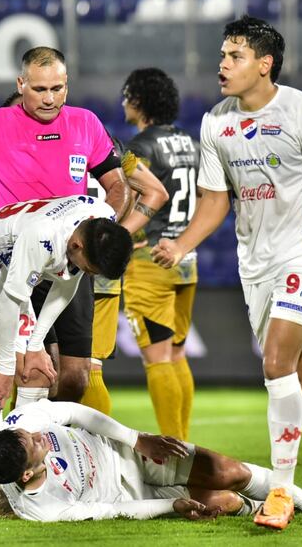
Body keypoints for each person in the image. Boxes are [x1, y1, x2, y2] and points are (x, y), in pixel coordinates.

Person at [151, 16, 302, 530]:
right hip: (254, 263)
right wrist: (180, 245)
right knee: (299, 376)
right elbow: (215, 202)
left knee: (275, 364)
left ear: (264, 63)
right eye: (222, 55)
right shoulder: (217, 122)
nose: (223, 65)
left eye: (234, 56)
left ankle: (280, 492)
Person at [0, 46, 132, 405]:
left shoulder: (85, 122)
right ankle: (25, 453)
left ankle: (57, 450)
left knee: (77, 376)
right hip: (22, 260)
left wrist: (100, 229)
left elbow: (119, 187)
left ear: (67, 85)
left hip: (71, 262)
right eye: (39, 89)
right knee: (31, 372)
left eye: (57, 89)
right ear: (21, 83)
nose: (50, 98)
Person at [0, 194, 133, 516]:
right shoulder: (43, 237)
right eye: (90, 267)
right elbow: (10, 303)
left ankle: (18, 474)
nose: (88, 273)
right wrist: (8, 367)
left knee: (37, 373)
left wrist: (36, 342)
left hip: (9, 279)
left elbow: (66, 284)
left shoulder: (99, 220)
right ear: (78, 247)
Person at [0, 399, 302, 522]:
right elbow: (110, 510)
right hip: (130, 493)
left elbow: (77, 414)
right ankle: (261, 509)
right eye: (33, 444)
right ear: (27, 473)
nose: (37, 435)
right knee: (225, 502)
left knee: (228, 471)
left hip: (129, 454)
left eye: (27, 434)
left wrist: (136, 438)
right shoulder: (44, 510)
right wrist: (171, 506)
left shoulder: (21, 424)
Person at [120, 68, 200, 441]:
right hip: (185, 258)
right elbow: (204, 197)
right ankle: (185, 443)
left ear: (138, 101)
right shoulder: (189, 142)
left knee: (157, 359)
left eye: (126, 96)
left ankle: (176, 455)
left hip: (149, 260)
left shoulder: (139, 147)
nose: (123, 102)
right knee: (178, 355)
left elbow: (133, 199)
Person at [83, 139, 170, 415]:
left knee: (35, 365)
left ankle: (29, 452)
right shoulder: (111, 149)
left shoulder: (46, 143)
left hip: (55, 262)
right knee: (91, 368)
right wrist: (116, 237)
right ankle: (93, 454)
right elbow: (156, 192)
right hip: (100, 271)